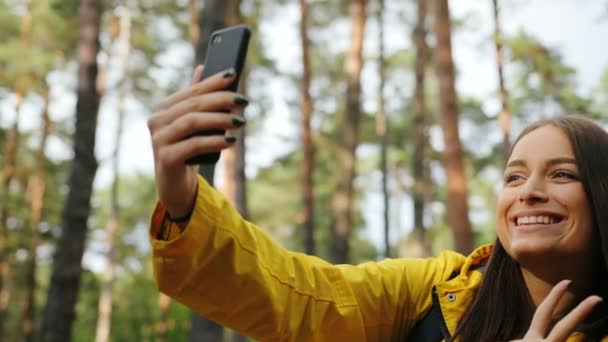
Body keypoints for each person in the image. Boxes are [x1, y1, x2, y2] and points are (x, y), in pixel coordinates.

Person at [147, 66, 608, 341]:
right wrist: (183, 199)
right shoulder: (436, 288)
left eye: (563, 174)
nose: (528, 191)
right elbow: (296, 296)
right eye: (513, 176)